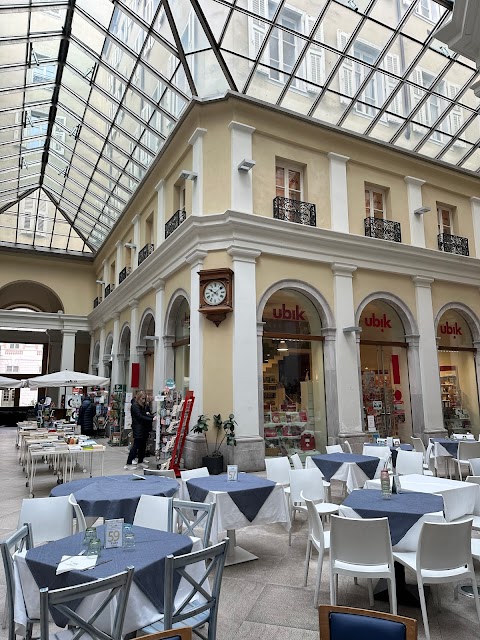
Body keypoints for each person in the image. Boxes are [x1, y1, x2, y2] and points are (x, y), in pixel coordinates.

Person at [124, 390, 154, 470]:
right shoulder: (135, 406)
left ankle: (140, 461)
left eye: (145, 399)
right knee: (136, 445)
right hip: (138, 428)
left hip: (143, 428)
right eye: (143, 399)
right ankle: (128, 463)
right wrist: (151, 419)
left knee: (143, 445)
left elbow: (144, 414)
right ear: (139, 398)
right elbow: (140, 416)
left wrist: (151, 417)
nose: (144, 400)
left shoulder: (141, 405)